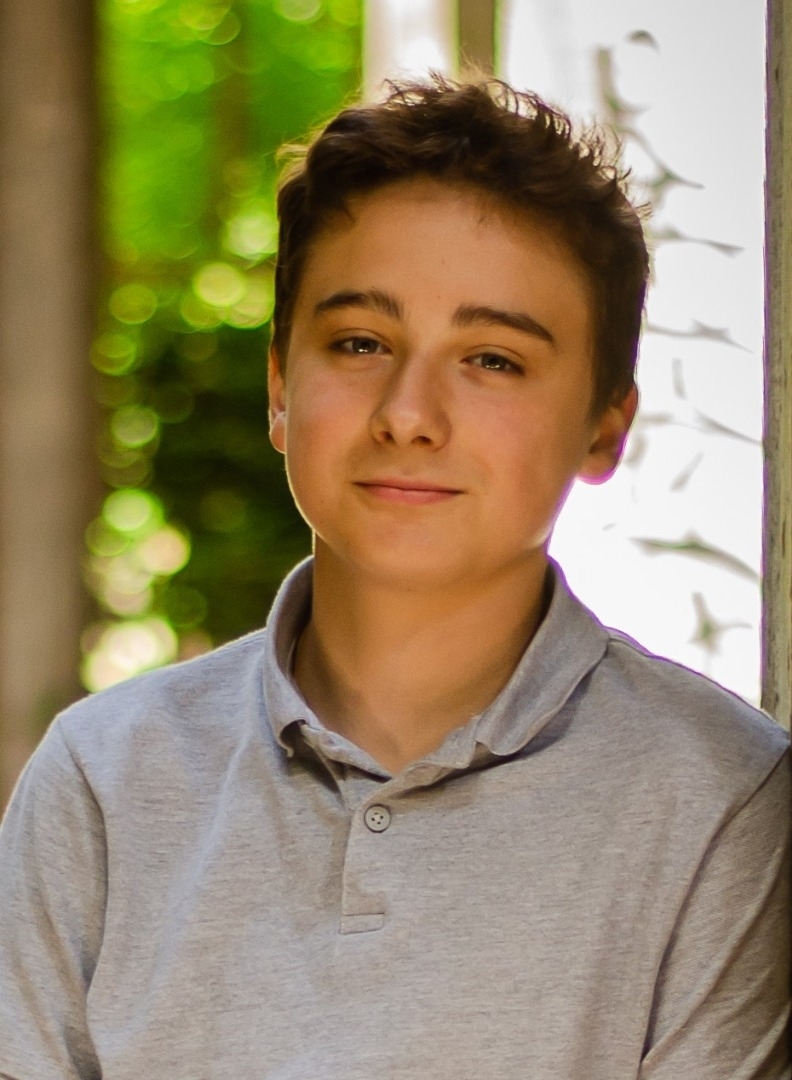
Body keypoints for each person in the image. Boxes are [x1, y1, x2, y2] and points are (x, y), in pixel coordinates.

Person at [0, 76, 789, 1080]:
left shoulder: (723, 798)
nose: (409, 414)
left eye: (492, 359)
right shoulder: (102, 779)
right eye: (361, 343)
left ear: (605, 425)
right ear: (280, 385)